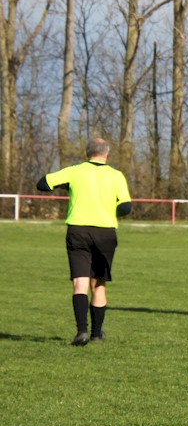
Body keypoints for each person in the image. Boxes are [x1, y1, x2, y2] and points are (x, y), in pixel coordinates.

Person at [36, 137, 132, 346]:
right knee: (98, 283)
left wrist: (66, 185)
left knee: (80, 282)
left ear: (87, 153)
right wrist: (107, 211)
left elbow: (42, 184)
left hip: (78, 231)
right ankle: (97, 333)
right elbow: (126, 207)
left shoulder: (75, 171)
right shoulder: (116, 175)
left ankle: (81, 331)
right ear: (107, 153)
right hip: (105, 232)